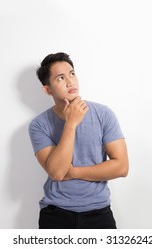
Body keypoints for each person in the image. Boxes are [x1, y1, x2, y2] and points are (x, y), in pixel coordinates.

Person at [29, 52, 129, 229]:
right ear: (47, 89)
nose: (70, 81)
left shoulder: (103, 114)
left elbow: (121, 167)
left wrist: (74, 172)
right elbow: (58, 173)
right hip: (55, 213)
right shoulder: (38, 125)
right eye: (60, 78)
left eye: (72, 73)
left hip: (99, 212)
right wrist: (71, 124)